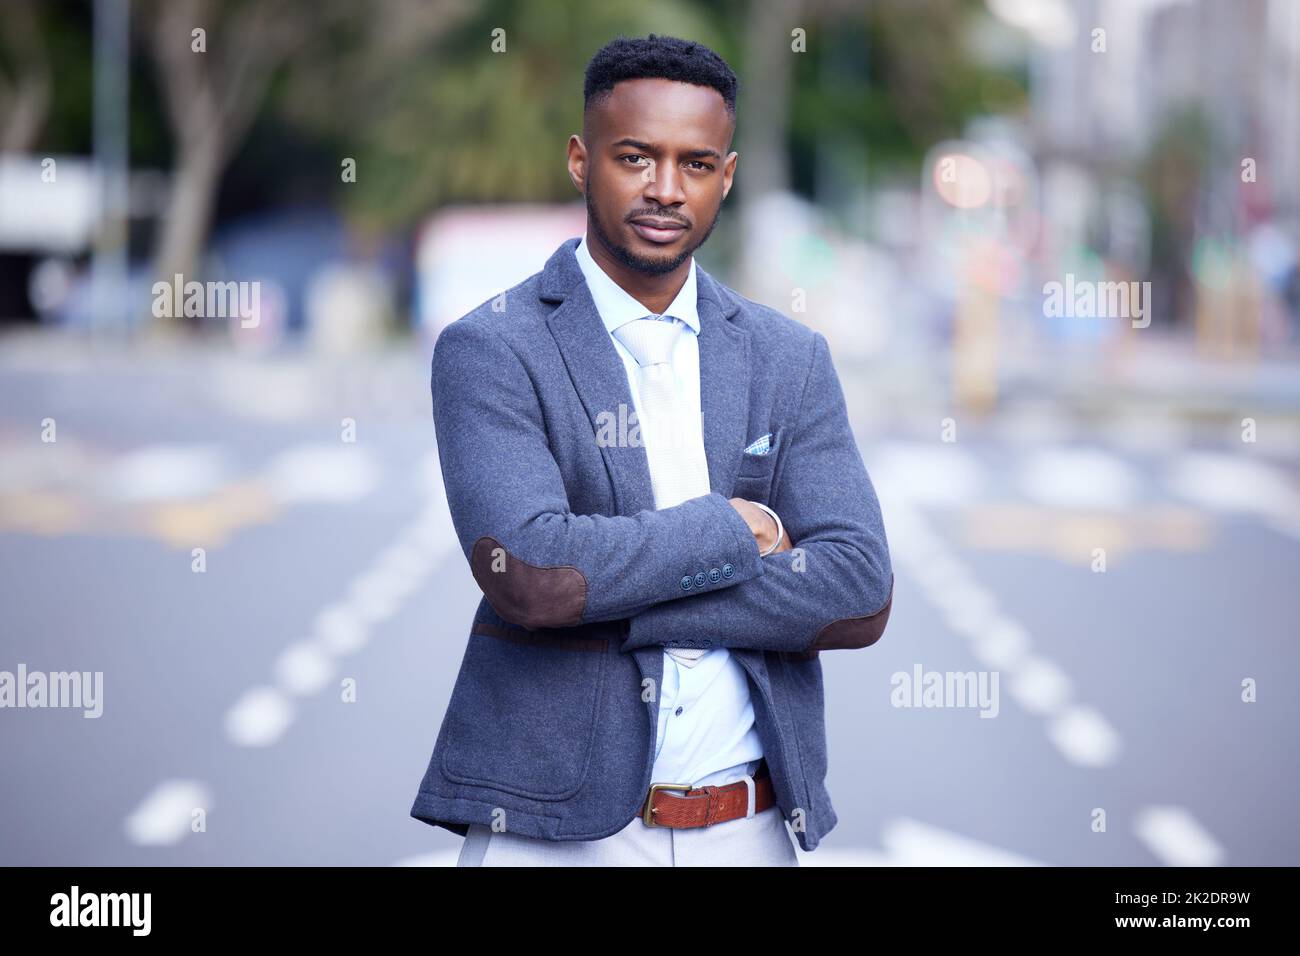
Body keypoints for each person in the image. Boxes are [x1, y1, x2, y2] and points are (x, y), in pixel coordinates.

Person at [410, 33, 893, 866]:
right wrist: (737, 535)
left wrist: (609, 601)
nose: (666, 190)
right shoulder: (492, 347)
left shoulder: (789, 357)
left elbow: (856, 592)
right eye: (635, 157)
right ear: (579, 160)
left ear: (728, 176)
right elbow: (530, 571)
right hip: (554, 834)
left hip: (752, 828)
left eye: (696, 165)